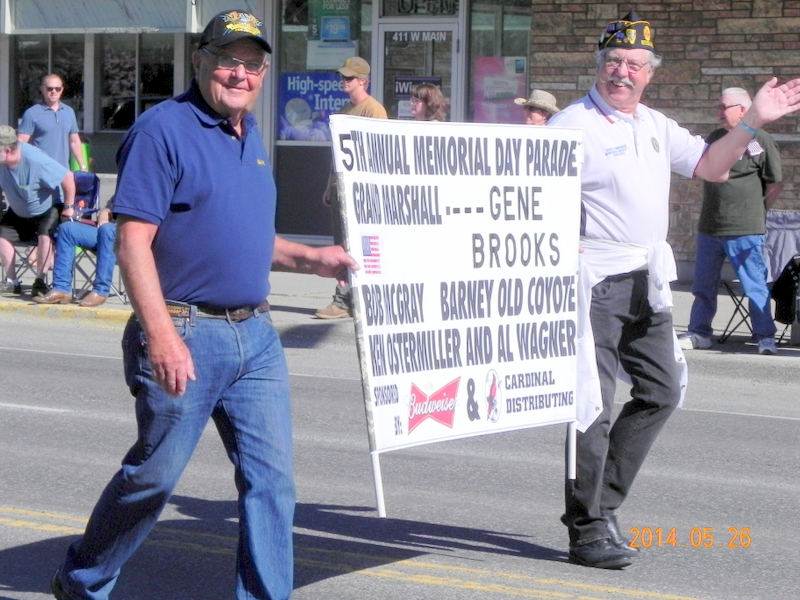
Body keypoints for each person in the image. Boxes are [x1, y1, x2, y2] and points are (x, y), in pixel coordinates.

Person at [49, 10, 357, 600]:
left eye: (252, 64)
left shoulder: (252, 133)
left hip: (258, 337)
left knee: (273, 485)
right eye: (228, 60)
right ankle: (83, 580)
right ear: (200, 60)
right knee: (154, 478)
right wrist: (161, 335)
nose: (240, 74)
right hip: (186, 328)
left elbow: (241, 238)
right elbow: (132, 240)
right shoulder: (162, 130)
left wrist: (312, 260)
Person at [547, 10, 800, 570]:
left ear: (650, 74)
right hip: (592, 284)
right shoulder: (570, 125)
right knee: (591, 405)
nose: (622, 72)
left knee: (661, 392)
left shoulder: (655, 126)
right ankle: (587, 529)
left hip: (647, 281)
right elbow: (533, 195)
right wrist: (561, 243)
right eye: (613, 61)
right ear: (599, 66)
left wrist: (754, 120)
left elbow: (711, 166)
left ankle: (601, 506)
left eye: (635, 64)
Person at [679, 87, 782, 355]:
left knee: (754, 286)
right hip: (710, 227)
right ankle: (699, 332)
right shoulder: (715, 138)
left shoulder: (759, 140)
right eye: (718, 107)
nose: (719, 112)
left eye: (724, 107)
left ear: (743, 110)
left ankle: (764, 337)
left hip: (745, 229)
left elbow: (775, 184)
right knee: (703, 286)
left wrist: (757, 213)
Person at [315, 56, 387, 320]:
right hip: (340, 187)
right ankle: (345, 298)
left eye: (349, 78)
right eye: (342, 77)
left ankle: (350, 300)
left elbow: (378, 153)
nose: (343, 82)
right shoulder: (345, 111)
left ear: (363, 81)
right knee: (342, 247)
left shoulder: (373, 110)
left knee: (359, 246)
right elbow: (338, 154)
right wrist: (329, 185)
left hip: (360, 190)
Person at [0, 125, 76, 297]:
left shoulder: (35, 160)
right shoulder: (2, 161)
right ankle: (11, 281)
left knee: (44, 233)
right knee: (2, 232)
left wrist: (69, 208)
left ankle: (40, 281)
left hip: (47, 208)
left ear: (9, 150)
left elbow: (68, 177)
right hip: (19, 210)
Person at [33, 196, 117, 307]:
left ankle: (101, 290)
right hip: (107, 233)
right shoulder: (126, 188)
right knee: (67, 229)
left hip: (130, 239)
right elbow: (106, 210)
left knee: (108, 230)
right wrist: (103, 220)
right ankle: (61, 288)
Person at [17, 73, 88, 171]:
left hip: (63, 172)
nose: (54, 91)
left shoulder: (69, 112)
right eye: (50, 88)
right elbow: (20, 144)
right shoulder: (32, 113)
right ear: (42, 89)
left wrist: (82, 166)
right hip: (39, 172)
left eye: (57, 88)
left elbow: (74, 141)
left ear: (62, 90)